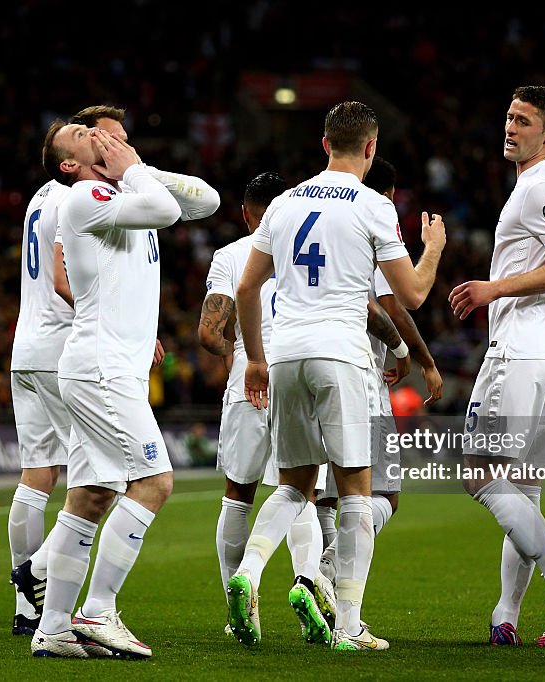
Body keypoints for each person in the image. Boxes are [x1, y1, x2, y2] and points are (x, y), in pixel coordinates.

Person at [226, 101, 446, 652]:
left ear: (324, 144)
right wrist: (434, 250)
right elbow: (412, 295)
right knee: (355, 494)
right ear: (370, 149)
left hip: (286, 356)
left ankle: (248, 574)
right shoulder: (374, 206)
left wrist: (255, 357)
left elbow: (247, 289)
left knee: (294, 486)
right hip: (341, 354)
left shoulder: (283, 203)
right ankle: (348, 624)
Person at [24, 114, 220, 659]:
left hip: (106, 367)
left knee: (90, 495)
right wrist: (133, 172)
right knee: (154, 482)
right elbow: (166, 210)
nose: (100, 136)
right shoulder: (83, 195)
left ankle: (54, 627)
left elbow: (207, 200)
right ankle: (98, 610)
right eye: (84, 135)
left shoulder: (121, 187)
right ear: (69, 163)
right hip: (102, 367)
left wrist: (138, 169)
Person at [448, 85, 545, 647]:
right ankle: (505, 618)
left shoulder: (540, 189)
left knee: (476, 472)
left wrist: (495, 289)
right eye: (509, 116)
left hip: (520, 355)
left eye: (524, 121)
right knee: (526, 491)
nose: (510, 127)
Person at [201, 171, 346, 644]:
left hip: (249, 377)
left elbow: (208, 334)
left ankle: (236, 607)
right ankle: (308, 587)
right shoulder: (314, 251)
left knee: (237, 493)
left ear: (246, 214)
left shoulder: (230, 256)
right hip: (297, 373)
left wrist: (237, 349)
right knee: (299, 489)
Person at [317, 157, 445, 586]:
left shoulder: (315, 216)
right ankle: (325, 570)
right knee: (382, 493)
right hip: (357, 370)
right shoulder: (373, 222)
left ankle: (325, 594)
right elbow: (398, 302)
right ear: (388, 194)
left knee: (322, 493)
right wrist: (420, 358)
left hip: (301, 362)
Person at [6, 160, 74, 637]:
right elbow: (64, 279)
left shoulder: (40, 196)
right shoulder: (75, 199)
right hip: (60, 349)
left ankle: (25, 606)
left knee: (37, 475)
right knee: (101, 475)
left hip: (25, 349)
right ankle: (42, 578)